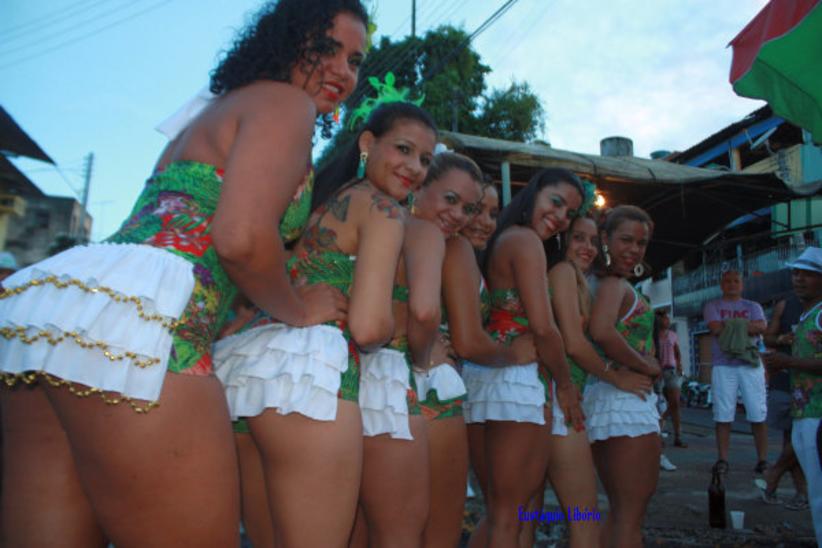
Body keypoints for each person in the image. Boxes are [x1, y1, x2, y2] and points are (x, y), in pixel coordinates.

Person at [0, 2, 367, 545]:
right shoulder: (286, 104)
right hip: (144, 329)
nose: (343, 71)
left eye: (355, 60)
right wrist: (296, 308)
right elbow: (240, 239)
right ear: (287, 42)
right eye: (326, 48)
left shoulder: (209, 113)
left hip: (51, 311)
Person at [217, 101, 437, 548]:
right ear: (367, 143)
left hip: (246, 374)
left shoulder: (320, 203)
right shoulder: (383, 210)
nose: (415, 167)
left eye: (425, 159)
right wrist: (391, 328)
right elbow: (368, 328)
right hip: (311, 382)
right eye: (403, 149)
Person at [476, 168, 585, 547]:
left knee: (500, 514)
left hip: (486, 377)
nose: (561, 217)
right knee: (510, 517)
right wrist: (566, 386)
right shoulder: (525, 241)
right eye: (556, 202)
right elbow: (543, 327)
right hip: (518, 384)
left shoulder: (501, 239)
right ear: (533, 194)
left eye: (569, 213)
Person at [546, 212, 653, 548]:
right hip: (564, 401)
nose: (589, 247)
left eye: (592, 240)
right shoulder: (567, 274)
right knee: (591, 520)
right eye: (579, 238)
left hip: (566, 399)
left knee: (523, 514)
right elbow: (580, 341)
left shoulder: (579, 279)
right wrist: (625, 374)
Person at [587, 205, 661, 548]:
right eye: (626, 240)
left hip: (607, 400)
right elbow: (601, 331)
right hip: (625, 405)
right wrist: (645, 365)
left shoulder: (600, 282)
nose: (634, 250)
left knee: (620, 513)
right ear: (605, 239)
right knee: (630, 517)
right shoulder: (613, 283)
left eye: (641, 243)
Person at [762, 246, 822, 545]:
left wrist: (788, 361)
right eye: (796, 273)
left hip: (818, 414)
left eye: (807, 274)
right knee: (816, 491)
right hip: (804, 411)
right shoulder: (807, 314)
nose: (798, 279)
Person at [703, 270, 768, 475]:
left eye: (736, 281)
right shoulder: (712, 306)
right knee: (723, 415)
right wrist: (746, 326)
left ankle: (763, 460)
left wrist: (729, 325)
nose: (732, 284)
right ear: (721, 285)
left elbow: (762, 327)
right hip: (723, 365)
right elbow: (715, 328)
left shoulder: (753, 306)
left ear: (742, 284)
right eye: (728, 281)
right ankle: (723, 459)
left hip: (751, 364)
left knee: (758, 414)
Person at [758, 293, 808, 509]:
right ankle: (801, 493)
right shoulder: (786, 306)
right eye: (797, 276)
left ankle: (774, 475)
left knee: (801, 438)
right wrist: (780, 340)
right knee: (794, 438)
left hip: (812, 384)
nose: (800, 279)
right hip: (787, 382)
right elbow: (767, 338)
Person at [654, 309, 686, 449]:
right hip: (657, 372)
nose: (667, 320)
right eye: (664, 318)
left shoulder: (673, 335)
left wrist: (679, 366)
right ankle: (657, 435)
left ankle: (678, 436)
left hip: (671, 371)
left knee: (675, 404)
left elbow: (677, 352)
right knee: (657, 405)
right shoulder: (653, 336)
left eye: (667, 318)